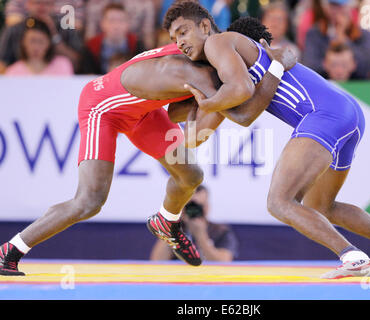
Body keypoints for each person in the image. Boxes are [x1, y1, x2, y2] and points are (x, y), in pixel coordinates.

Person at [162, 1, 370, 278]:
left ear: (205, 26)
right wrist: (199, 105)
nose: (179, 43)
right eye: (174, 39)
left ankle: (353, 258)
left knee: (279, 201)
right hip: (348, 114)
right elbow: (202, 132)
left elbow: (244, 117)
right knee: (321, 206)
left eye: (183, 32)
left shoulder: (218, 43)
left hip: (323, 115)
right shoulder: (229, 74)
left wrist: (207, 102)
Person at [0, 24, 296, 275]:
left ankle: (166, 221)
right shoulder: (203, 69)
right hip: (103, 108)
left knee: (191, 174)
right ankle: (11, 250)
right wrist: (274, 70)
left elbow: (182, 117)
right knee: (89, 201)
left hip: (142, 112)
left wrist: (214, 105)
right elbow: (206, 130)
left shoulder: (211, 57)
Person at [150, 185, 239, 262]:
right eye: (189, 205)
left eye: (198, 206)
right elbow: (156, 262)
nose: (193, 210)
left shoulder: (221, 231)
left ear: (207, 207)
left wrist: (201, 236)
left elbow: (223, 264)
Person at [0, 0, 82, 73]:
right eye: (37, 2)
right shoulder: (14, 30)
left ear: (53, 6)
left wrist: (55, 37)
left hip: (57, 79)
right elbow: (2, 63)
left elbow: (78, 63)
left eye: (47, 3)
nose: (42, 7)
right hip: (19, 80)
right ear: (28, 4)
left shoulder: (65, 29)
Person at [302, 0, 370, 80]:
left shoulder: (364, 35)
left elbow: (368, 67)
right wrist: (333, 66)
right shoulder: (314, 33)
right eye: (333, 6)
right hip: (325, 84)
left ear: (349, 8)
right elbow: (310, 65)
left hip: (357, 85)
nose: (337, 11)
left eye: (342, 7)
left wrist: (344, 39)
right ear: (326, 8)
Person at [79, 3, 144, 75]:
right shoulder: (91, 47)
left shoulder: (137, 45)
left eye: (121, 20)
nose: (116, 26)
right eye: (111, 20)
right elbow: (86, 75)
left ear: (128, 24)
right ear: (102, 23)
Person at [5, 17, 73, 75]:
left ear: (49, 43)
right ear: (23, 42)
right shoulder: (13, 71)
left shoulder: (63, 65)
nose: (36, 47)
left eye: (41, 41)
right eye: (32, 41)